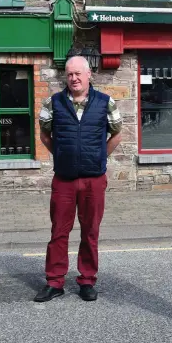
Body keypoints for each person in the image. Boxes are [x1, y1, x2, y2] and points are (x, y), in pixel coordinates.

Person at [34, 56, 122, 302]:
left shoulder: (105, 102)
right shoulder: (54, 102)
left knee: (90, 231)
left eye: (78, 74)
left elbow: (116, 133)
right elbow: (44, 134)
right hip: (64, 179)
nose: (73, 78)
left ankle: (86, 280)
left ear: (89, 74)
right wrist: (61, 154)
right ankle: (55, 282)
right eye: (70, 74)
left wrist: (99, 155)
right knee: (58, 232)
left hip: (93, 179)